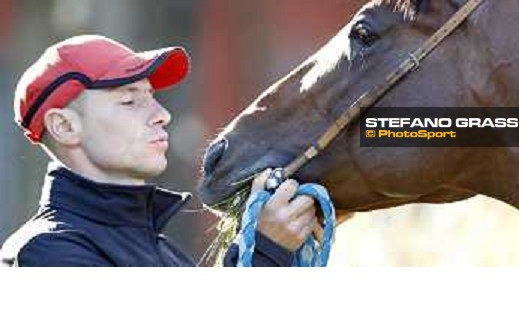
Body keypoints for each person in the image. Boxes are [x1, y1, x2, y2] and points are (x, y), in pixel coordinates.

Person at [0, 35, 318, 267]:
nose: (162, 115)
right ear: (65, 127)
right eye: (129, 101)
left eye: (151, 95)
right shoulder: (47, 252)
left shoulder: (163, 252)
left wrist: (275, 241)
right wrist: (265, 251)